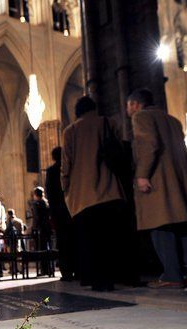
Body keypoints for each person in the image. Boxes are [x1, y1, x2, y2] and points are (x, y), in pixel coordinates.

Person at [127, 88, 187, 288]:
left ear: (136, 104)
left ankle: (172, 275)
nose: (128, 110)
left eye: (128, 106)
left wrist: (142, 174)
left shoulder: (141, 117)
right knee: (183, 227)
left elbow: (149, 144)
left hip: (158, 181)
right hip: (178, 182)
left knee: (160, 227)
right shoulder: (172, 120)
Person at [62, 96, 132, 291]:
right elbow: (120, 149)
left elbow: (66, 164)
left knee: (89, 240)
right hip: (110, 191)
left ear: (77, 111)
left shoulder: (71, 131)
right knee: (110, 238)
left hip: (83, 195)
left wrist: (66, 189)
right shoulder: (108, 122)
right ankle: (111, 278)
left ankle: (96, 280)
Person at [45, 146, 75, 281]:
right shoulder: (71, 167)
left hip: (58, 211)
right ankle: (78, 270)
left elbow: (49, 193)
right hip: (71, 208)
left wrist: (52, 211)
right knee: (74, 239)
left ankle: (66, 272)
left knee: (62, 242)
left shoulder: (51, 171)